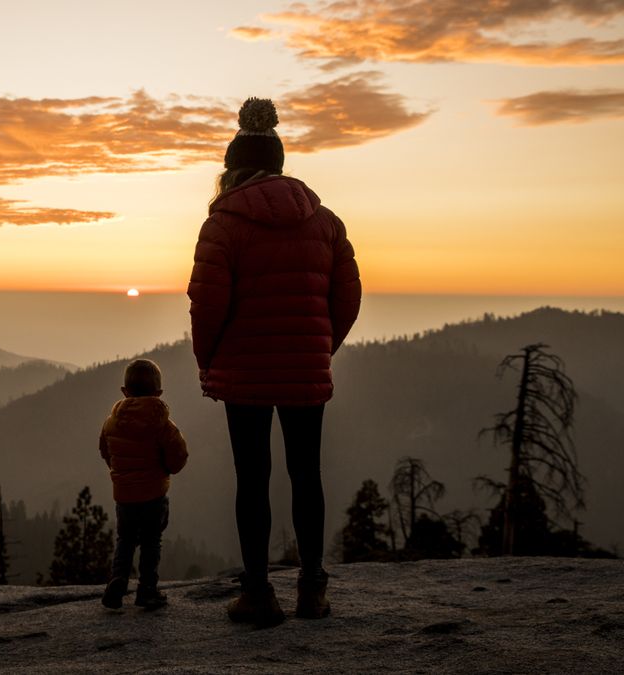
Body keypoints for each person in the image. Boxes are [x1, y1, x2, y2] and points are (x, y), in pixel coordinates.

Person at [187, 97, 361, 628]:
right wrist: (318, 348)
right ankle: (313, 590)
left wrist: (208, 361)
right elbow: (348, 296)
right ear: (281, 162)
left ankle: (258, 594)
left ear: (232, 167)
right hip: (305, 366)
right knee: (307, 473)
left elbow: (206, 302)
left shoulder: (223, 223)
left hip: (244, 371)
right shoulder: (325, 221)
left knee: (252, 477)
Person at [99, 358, 189, 611]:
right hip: (154, 494)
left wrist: (120, 473)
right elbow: (178, 456)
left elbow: (106, 451)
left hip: (124, 495)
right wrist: (167, 469)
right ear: (159, 393)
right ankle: (147, 590)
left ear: (125, 392)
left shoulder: (111, 422)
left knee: (125, 539)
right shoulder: (163, 425)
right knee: (151, 541)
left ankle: (117, 581)